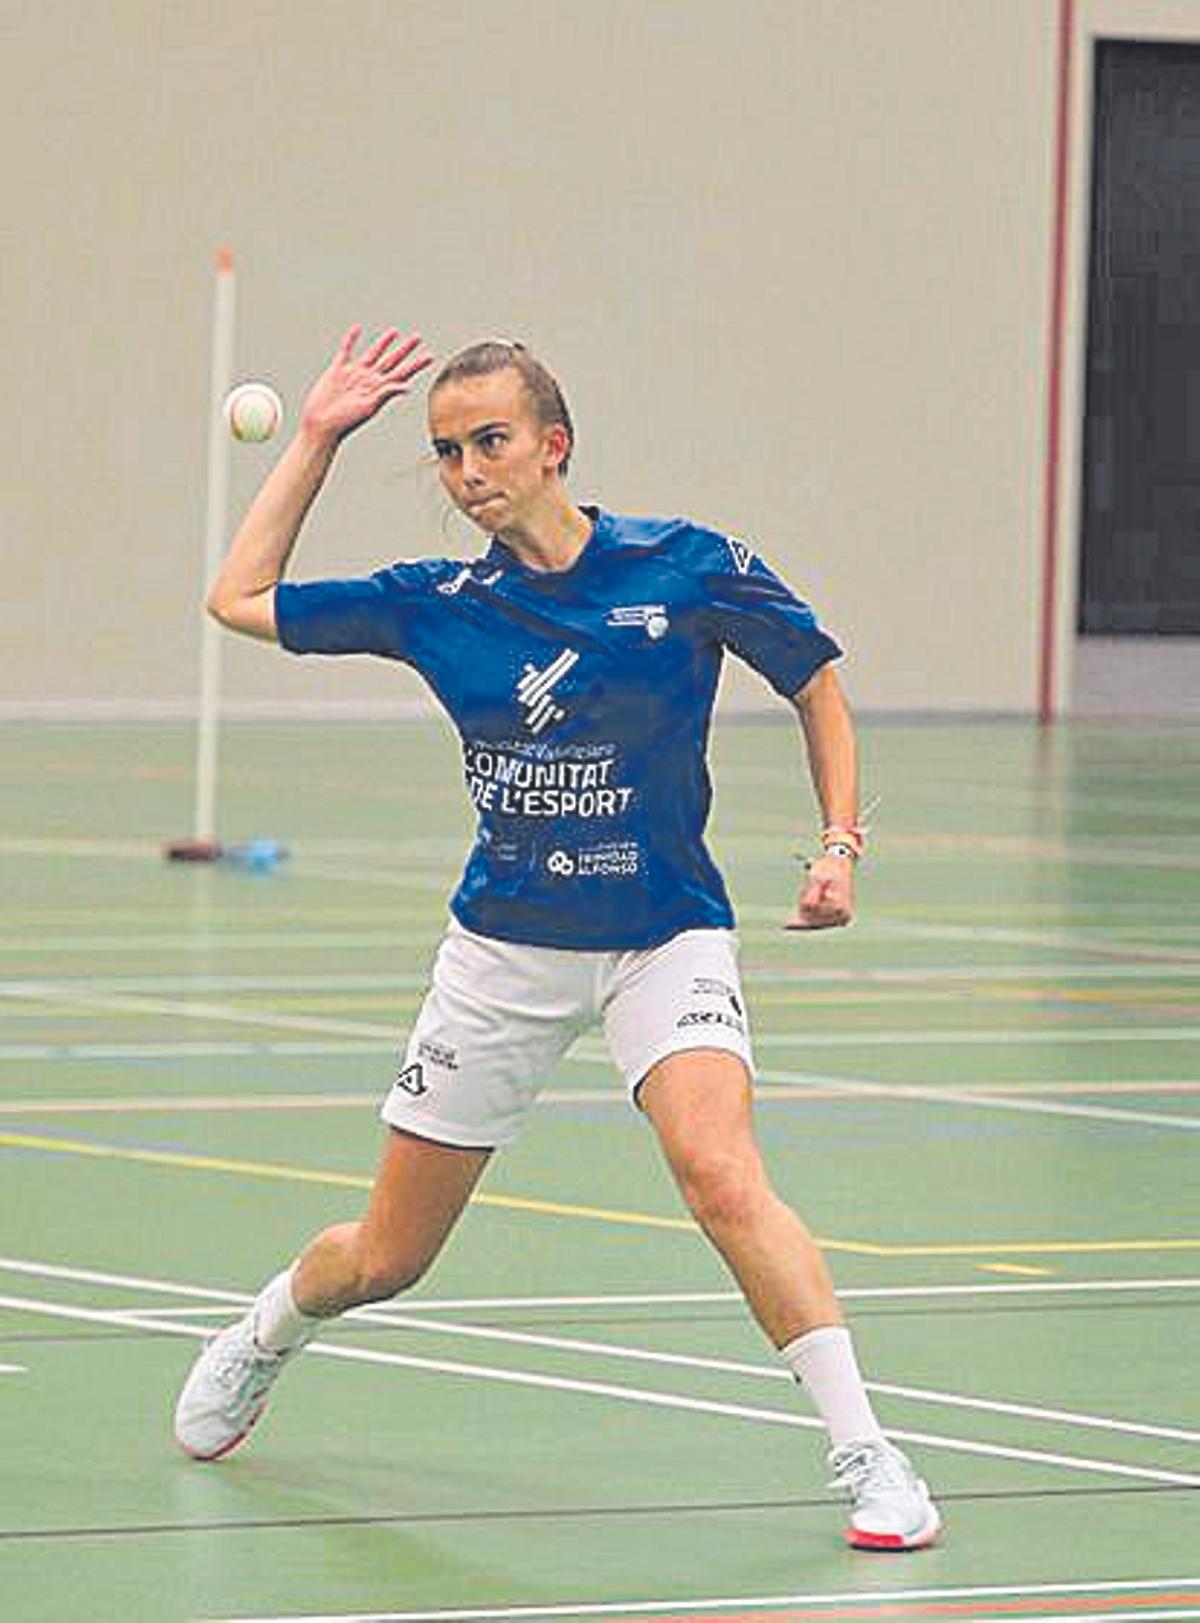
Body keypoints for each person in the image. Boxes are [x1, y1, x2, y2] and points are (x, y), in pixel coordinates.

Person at [173, 324, 941, 1553]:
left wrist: (840, 841)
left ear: (553, 446)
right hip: (505, 954)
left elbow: (817, 680)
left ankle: (871, 1456)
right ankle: (266, 1331)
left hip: (663, 934)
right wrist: (318, 436)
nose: (468, 469)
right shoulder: (434, 605)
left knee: (722, 1176)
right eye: (445, 453)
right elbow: (236, 599)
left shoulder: (688, 567)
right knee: (385, 1257)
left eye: (490, 442)